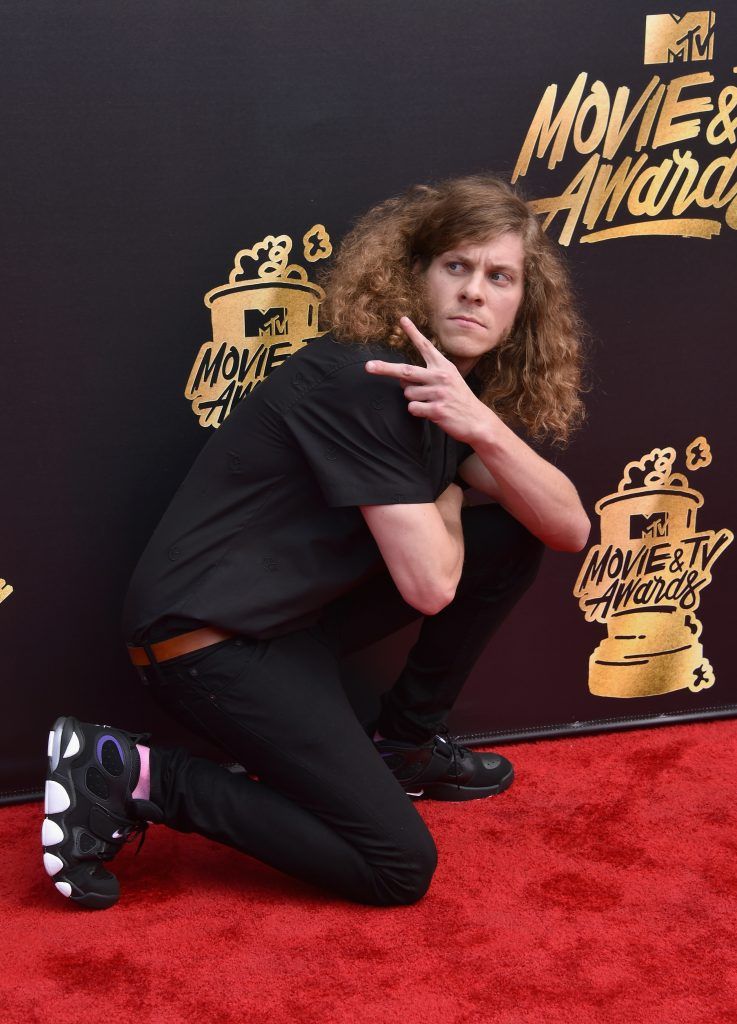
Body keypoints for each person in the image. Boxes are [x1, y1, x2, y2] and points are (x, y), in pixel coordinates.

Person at [41, 175, 590, 911]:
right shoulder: (362, 383)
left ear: (521, 305)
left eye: (499, 277)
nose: (473, 293)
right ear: (413, 276)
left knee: (511, 533)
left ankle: (405, 745)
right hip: (206, 646)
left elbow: (569, 528)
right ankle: (133, 774)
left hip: (281, 628)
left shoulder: (445, 401)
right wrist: (455, 488)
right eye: (455, 267)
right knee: (397, 866)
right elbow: (430, 585)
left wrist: (484, 428)